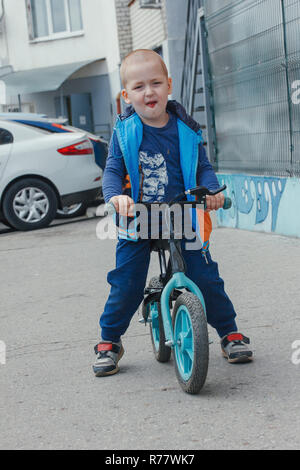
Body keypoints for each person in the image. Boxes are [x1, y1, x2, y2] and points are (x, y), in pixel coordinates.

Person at [93, 49, 253, 377]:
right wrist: (115, 197)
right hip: (138, 217)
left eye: (155, 83)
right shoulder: (124, 131)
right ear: (126, 95)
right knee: (126, 283)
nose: (148, 92)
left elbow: (204, 169)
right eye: (138, 87)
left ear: (169, 85)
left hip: (181, 213)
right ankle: (109, 340)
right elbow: (112, 169)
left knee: (205, 276)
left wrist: (211, 192)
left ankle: (229, 333)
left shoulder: (187, 129)